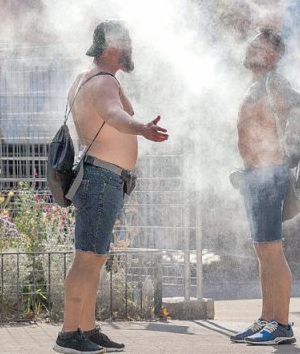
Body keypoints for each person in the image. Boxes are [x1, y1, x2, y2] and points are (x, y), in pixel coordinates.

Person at [55, 20, 168, 354]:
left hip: (100, 177)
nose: (130, 47)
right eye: (127, 41)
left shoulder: (86, 77)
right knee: (87, 258)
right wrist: (142, 129)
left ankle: (86, 328)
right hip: (102, 179)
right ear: (112, 46)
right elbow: (114, 114)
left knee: (93, 258)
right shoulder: (103, 82)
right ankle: (68, 334)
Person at [232, 29, 300, 346]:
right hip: (255, 175)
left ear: (272, 55)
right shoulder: (255, 84)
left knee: (271, 249)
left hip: (270, 174)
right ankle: (267, 320)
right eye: (252, 40)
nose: (251, 44)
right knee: (262, 251)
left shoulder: (273, 82)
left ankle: (281, 325)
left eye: (259, 43)